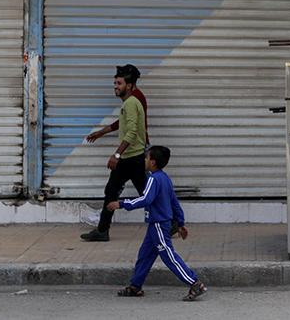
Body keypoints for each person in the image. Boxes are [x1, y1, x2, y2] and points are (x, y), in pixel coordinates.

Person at [107, 146, 207, 301]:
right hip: (156, 224)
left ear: (153, 162)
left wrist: (122, 204)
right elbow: (174, 201)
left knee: (168, 255)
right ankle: (135, 286)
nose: (144, 160)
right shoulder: (165, 178)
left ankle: (194, 283)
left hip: (159, 224)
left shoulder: (153, 179)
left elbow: (145, 199)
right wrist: (180, 222)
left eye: (147, 158)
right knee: (145, 255)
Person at [80, 64, 148, 242]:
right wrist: (101, 132)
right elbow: (123, 123)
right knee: (111, 191)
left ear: (130, 85)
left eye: (119, 83)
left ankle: (170, 221)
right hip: (128, 157)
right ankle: (102, 230)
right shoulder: (130, 102)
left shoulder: (133, 101)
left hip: (133, 157)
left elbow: (132, 131)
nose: (115, 86)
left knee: (147, 192)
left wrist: (116, 154)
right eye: (115, 83)